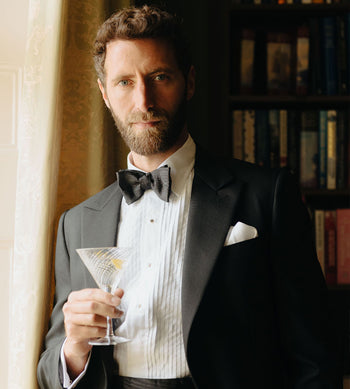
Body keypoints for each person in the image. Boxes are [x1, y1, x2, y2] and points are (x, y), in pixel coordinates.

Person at [37, 5, 340, 389]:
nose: (144, 100)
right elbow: (50, 369)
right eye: (124, 83)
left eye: (159, 76)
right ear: (104, 94)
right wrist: (75, 347)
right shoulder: (76, 223)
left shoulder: (268, 196)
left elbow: (315, 359)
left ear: (189, 82)